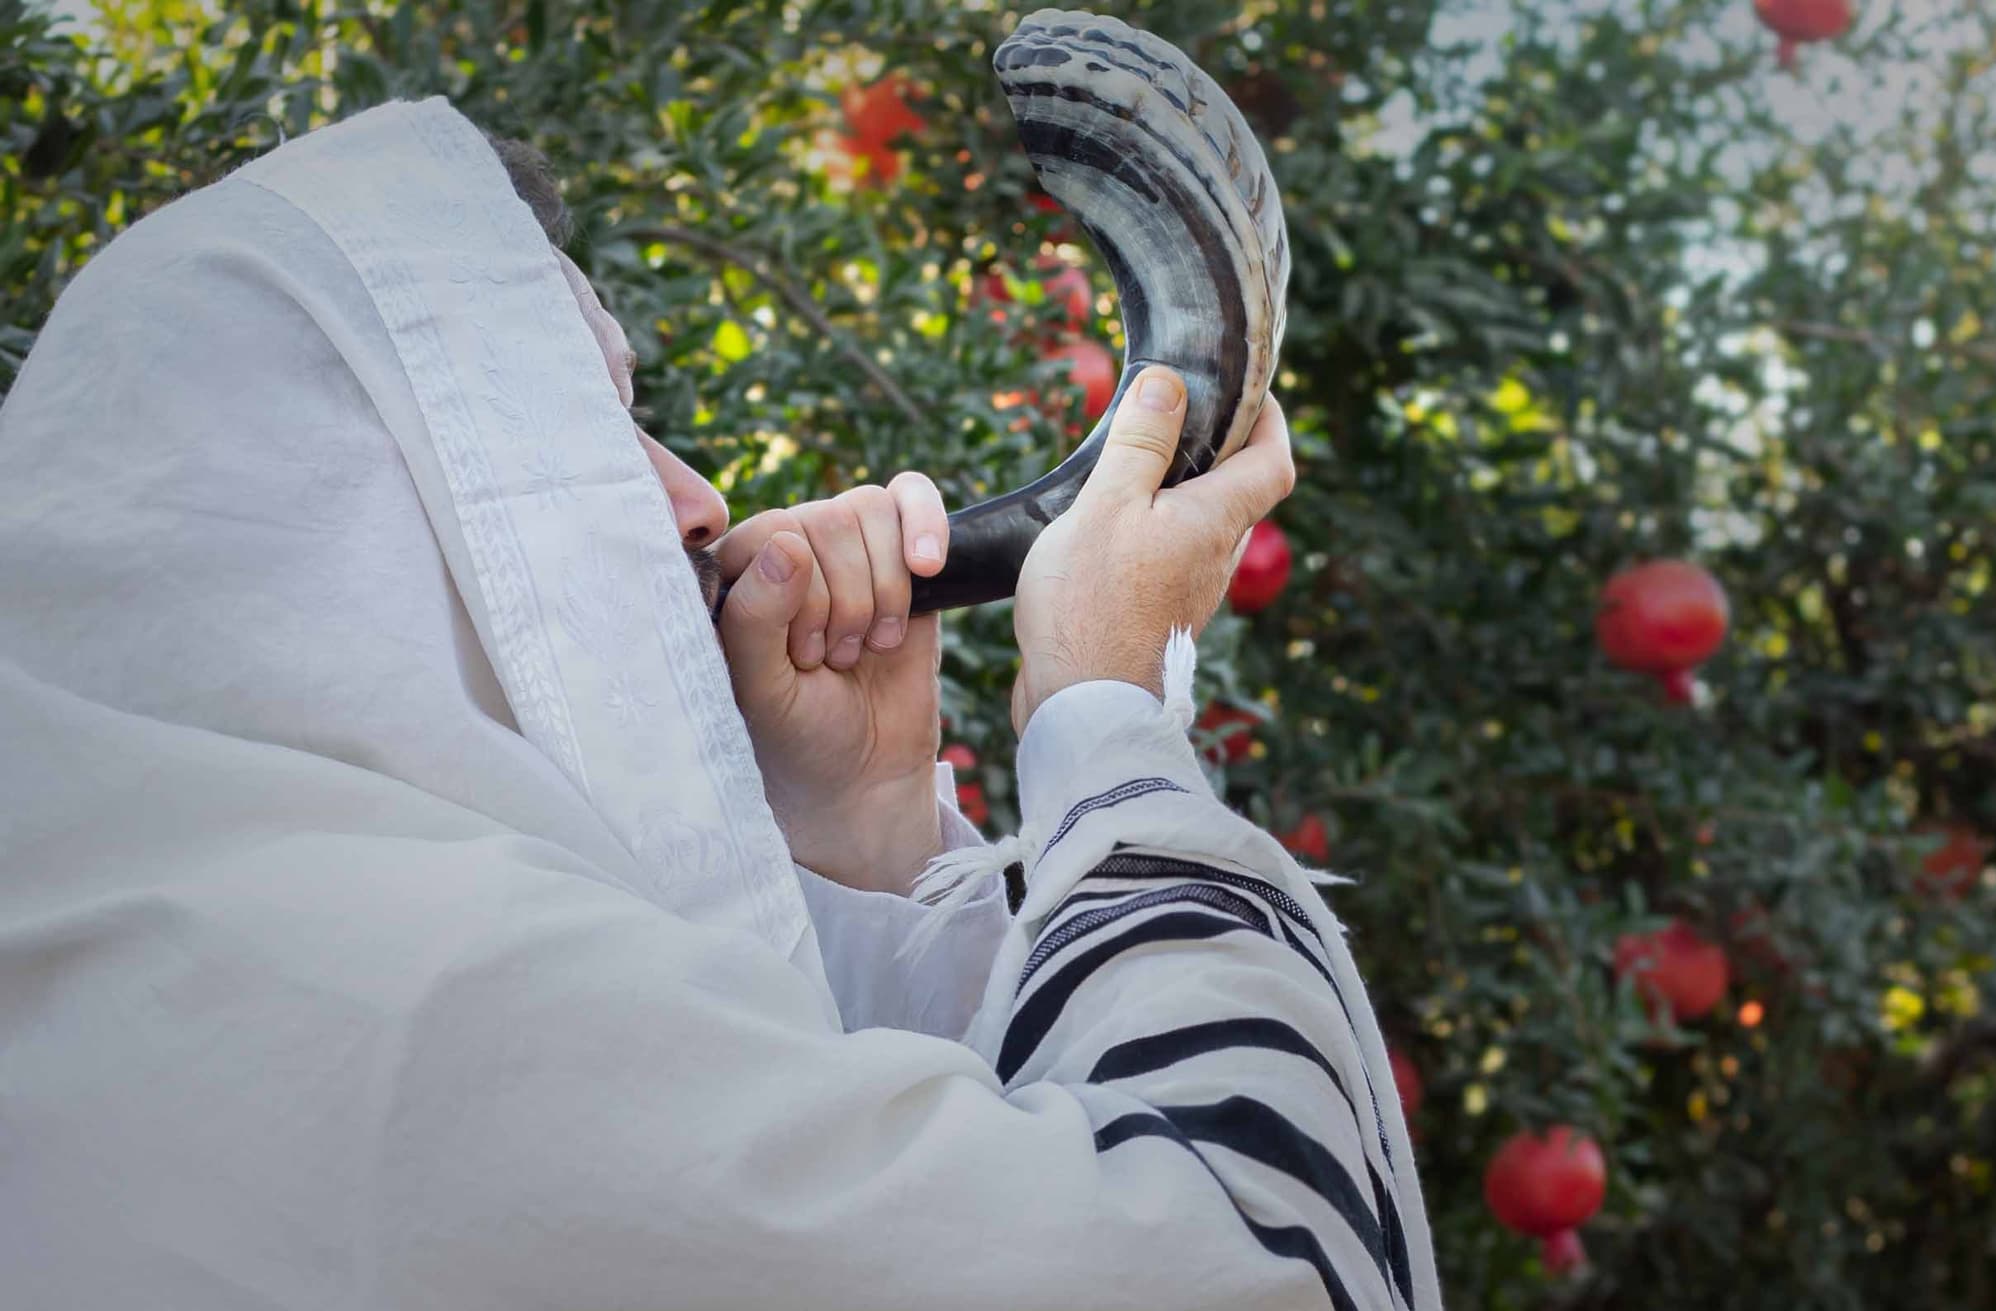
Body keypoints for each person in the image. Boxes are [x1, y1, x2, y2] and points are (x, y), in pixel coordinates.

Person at [0, 98, 1437, 1311]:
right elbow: (1240, 1254)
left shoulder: (174, 956)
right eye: (586, 421)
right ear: (371, 494)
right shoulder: (415, 1010)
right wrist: (1104, 724)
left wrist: (865, 826)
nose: (700, 502)